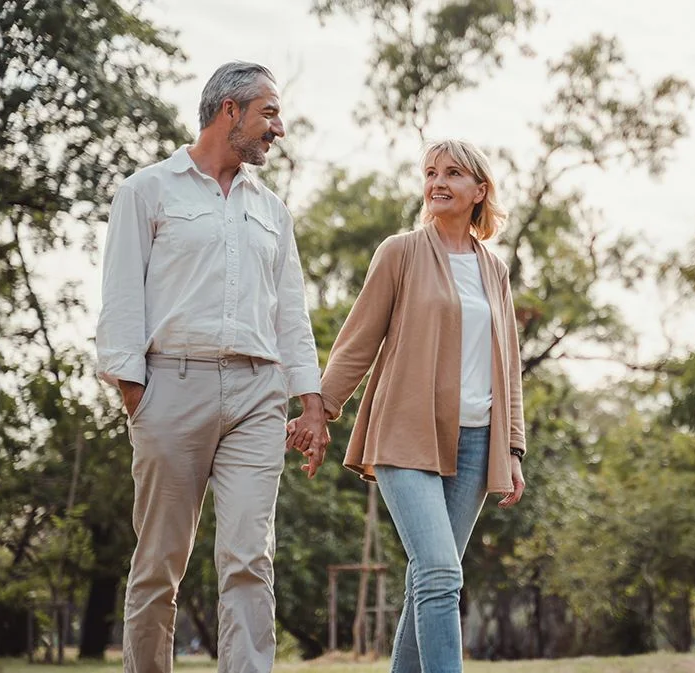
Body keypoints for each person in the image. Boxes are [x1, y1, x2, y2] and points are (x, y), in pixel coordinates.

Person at [96, 60, 330, 673]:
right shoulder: (146, 190)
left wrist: (310, 402)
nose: (277, 129)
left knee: (251, 558)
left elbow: (291, 314)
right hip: (170, 388)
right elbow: (121, 302)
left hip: (258, 395)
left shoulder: (273, 211)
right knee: (159, 564)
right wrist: (135, 395)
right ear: (230, 111)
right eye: (269, 113)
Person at [299, 138, 528, 673]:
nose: (437, 182)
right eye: (430, 172)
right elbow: (357, 341)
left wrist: (512, 447)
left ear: (479, 190)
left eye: (452, 173)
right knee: (442, 574)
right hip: (406, 434)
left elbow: (509, 364)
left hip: (476, 441)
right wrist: (320, 410)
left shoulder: (494, 270)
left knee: (427, 578)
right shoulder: (399, 252)